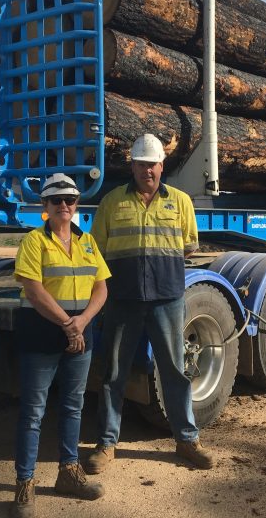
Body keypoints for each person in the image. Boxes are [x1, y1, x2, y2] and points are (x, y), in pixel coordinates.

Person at [84, 134, 215, 475]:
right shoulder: (112, 202)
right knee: (113, 374)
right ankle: (106, 443)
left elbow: (190, 245)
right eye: (141, 164)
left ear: (162, 165)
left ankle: (187, 440)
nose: (147, 170)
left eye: (152, 164)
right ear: (133, 166)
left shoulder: (181, 202)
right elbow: (97, 251)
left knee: (174, 371)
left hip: (167, 300)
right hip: (122, 301)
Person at [10, 173, 111, 518]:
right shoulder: (34, 241)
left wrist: (81, 322)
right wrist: (69, 324)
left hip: (80, 335)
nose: (64, 206)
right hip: (42, 335)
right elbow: (34, 290)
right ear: (45, 206)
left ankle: (69, 472)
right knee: (33, 413)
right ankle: (25, 483)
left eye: (70, 200)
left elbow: (101, 287)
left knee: (73, 406)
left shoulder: (87, 241)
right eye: (57, 201)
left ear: (76, 204)